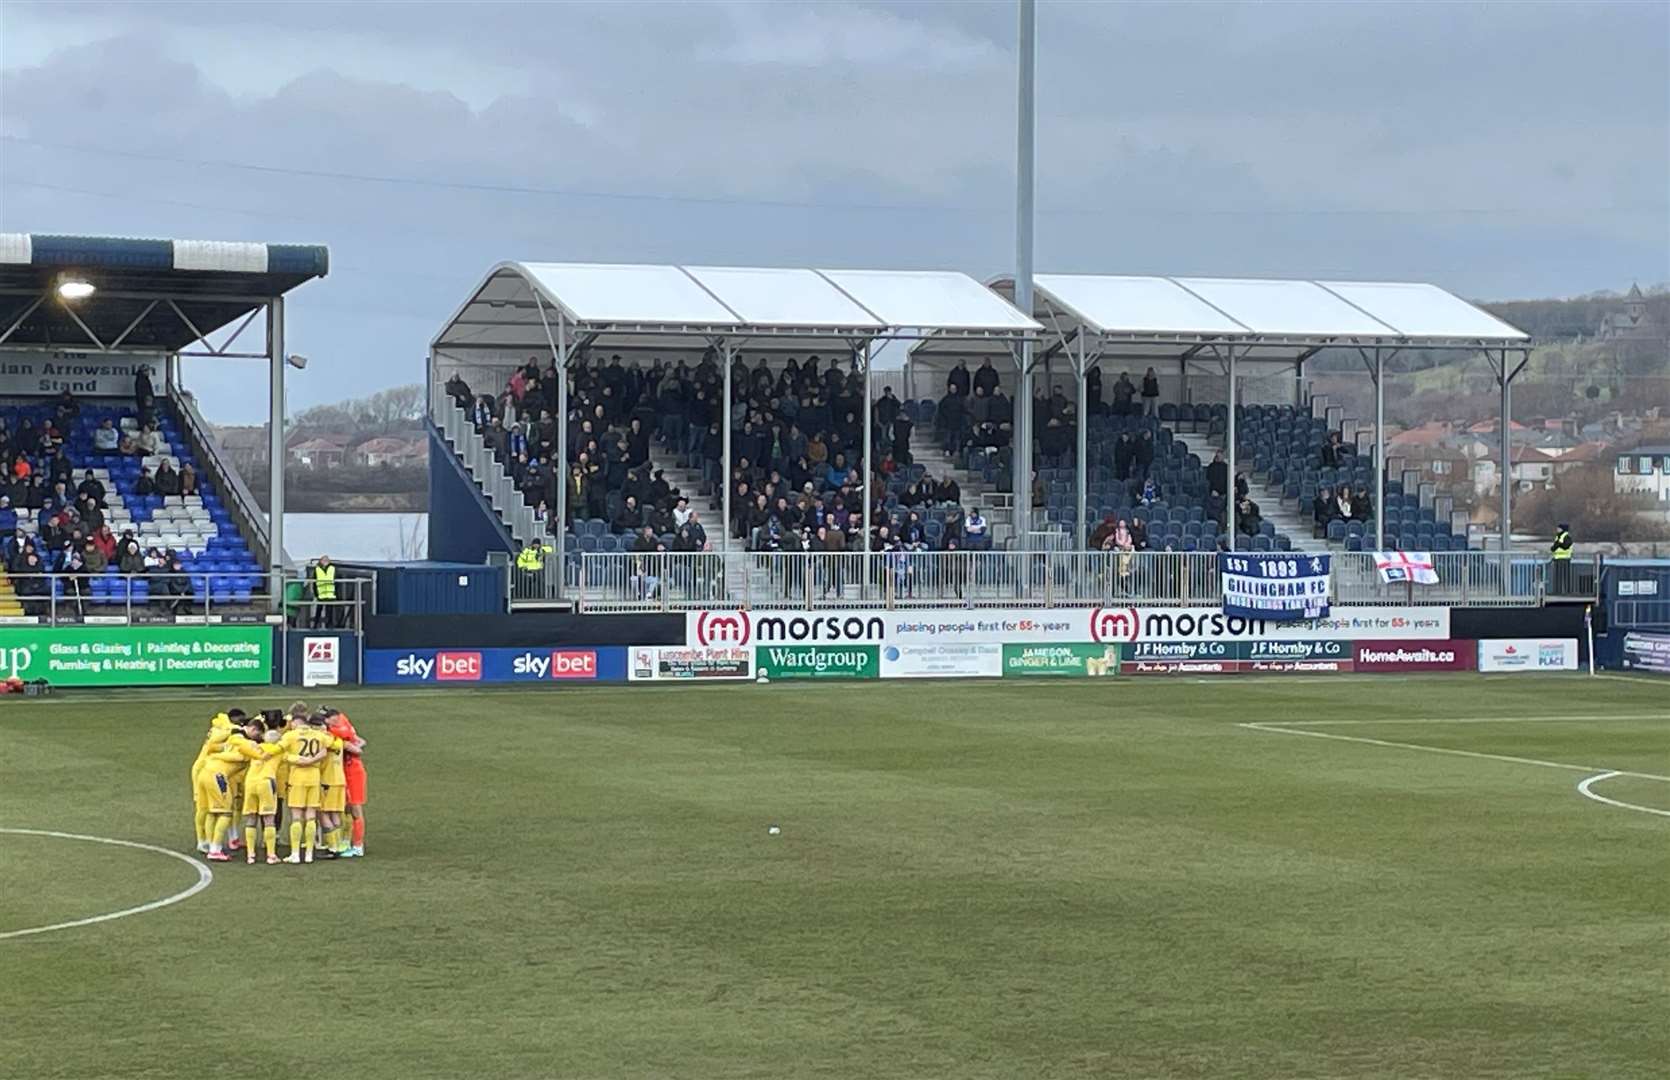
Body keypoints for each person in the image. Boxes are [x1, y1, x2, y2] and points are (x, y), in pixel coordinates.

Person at [279, 707, 335, 864]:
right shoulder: (319, 735)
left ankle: (295, 854)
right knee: (311, 816)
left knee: (297, 816)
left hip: (297, 777)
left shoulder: (291, 736)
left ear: (296, 723)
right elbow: (331, 746)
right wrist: (313, 759)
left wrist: (297, 759)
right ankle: (309, 853)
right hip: (314, 777)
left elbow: (280, 752)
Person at [239, 722, 286, 865]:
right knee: (269, 819)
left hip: (251, 782)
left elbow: (242, 747)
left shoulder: (255, 748)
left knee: (251, 819)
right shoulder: (279, 751)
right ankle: (271, 855)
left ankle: (251, 855)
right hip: (266, 783)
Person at [329, 710, 368, 858]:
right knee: (346, 808)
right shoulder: (342, 726)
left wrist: (349, 745)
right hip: (344, 773)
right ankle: (346, 840)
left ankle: (358, 846)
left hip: (354, 773)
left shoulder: (338, 732)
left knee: (356, 809)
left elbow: (358, 749)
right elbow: (361, 741)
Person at [310, 555, 337, 629]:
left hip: (330, 594)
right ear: (320, 561)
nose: (325, 562)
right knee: (319, 610)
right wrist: (316, 593)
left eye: (326, 560)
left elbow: (336, 581)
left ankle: (330, 625)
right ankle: (315, 624)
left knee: (330, 611)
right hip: (321, 594)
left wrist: (335, 592)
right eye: (323, 560)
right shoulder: (317, 569)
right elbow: (314, 582)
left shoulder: (332, 569)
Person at [1550, 521, 1573, 594]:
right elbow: (1553, 548)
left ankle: (1567, 592)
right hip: (1557, 559)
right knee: (1558, 578)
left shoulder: (1566, 536)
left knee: (1565, 577)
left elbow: (1566, 546)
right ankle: (1557, 591)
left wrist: (1558, 545)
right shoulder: (1558, 537)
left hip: (1565, 559)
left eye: (1559, 528)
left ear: (1562, 529)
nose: (1557, 529)